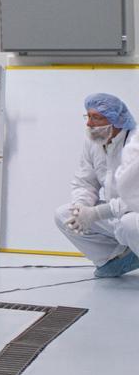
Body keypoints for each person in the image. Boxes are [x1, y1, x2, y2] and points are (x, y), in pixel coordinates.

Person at [56, 93, 139, 278]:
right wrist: (81, 207)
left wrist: (96, 213)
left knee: (130, 223)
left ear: (116, 120)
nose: (89, 124)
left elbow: (136, 199)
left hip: (134, 213)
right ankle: (117, 259)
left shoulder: (135, 144)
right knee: (64, 215)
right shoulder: (94, 142)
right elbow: (84, 181)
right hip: (114, 212)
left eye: (96, 117)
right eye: (88, 116)